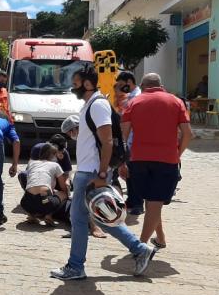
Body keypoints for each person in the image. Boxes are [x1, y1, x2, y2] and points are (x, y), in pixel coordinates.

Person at [50, 64, 157, 280]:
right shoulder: (91, 104)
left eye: (76, 83)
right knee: (99, 218)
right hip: (90, 171)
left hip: (91, 174)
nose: (73, 87)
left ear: (87, 84)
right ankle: (138, 248)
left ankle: (75, 266)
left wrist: (101, 174)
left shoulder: (98, 105)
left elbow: (107, 141)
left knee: (79, 219)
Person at [121, 73, 193, 250]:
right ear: (161, 85)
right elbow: (188, 133)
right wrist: (178, 153)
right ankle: (142, 247)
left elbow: (123, 137)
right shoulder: (176, 102)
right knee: (155, 202)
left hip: (138, 159)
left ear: (143, 86)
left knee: (152, 200)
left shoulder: (133, 102)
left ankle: (157, 239)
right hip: (167, 159)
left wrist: (122, 161)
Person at [61, 115, 106, 239]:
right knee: (80, 203)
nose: (71, 135)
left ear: (75, 129)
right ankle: (80, 229)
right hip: (86, 172)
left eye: (70, 132)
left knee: (90, 200)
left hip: (92, 172)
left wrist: (101, 172)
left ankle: (95, 227)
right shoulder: (84, 138)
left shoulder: (90, 137)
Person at [114, 70, 144, 215]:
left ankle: (138, 203)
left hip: (135, 140)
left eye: (121, 85)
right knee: (129, 173)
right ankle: (132, 199)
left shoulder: (136, 97)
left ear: (129, 82)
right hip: (128, 139)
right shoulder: (129, 96)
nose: (120, 87)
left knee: (135, 174)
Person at [21, 143, 70, 226]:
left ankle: (31, 215)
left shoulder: (31, 163)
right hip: (45, 202)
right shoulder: (55, 165)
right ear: (53, 155)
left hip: (26, 202)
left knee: (36, 194)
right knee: (62, 194)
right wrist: (67, 194)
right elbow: (63, 186)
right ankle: (49, 215)